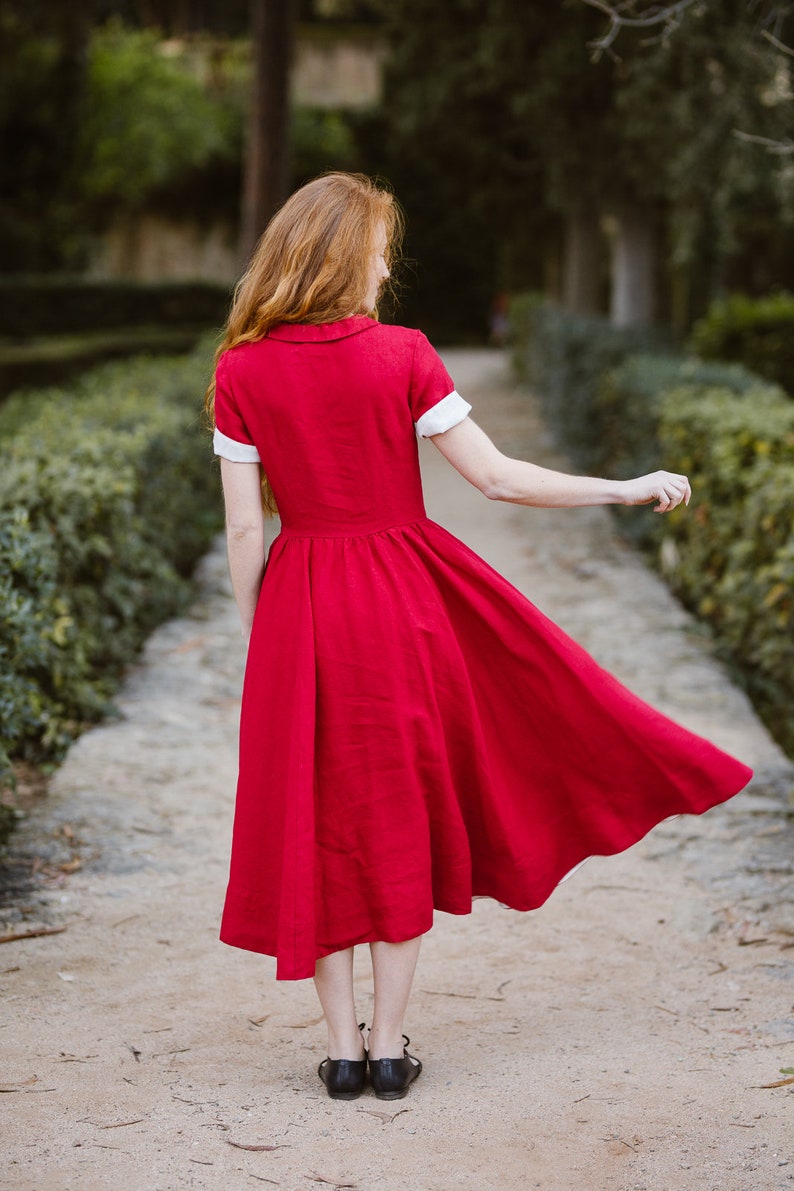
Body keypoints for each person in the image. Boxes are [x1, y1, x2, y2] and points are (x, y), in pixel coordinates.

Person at [206, 172, 752, 1103]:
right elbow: (498, 480)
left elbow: (248, 532)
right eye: (381, 245)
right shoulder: (405, 355)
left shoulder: (241, 369)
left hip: (302, 601)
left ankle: (338, 1053)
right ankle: (388, 1048)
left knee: (318, 817)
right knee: (394, 811)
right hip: (400, 602)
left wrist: (267, 634)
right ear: (349, 256)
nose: (387, 262)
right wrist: (620, 487)